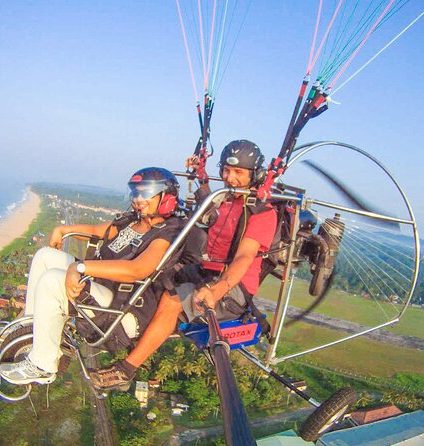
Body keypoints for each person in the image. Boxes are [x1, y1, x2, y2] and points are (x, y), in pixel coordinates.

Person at [89, 140, 278, 390]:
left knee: (173, 300)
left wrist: (217, 290)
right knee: (157, 274)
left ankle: (126, 370)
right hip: (205, 271)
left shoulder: (262, 213)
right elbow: (207, 214)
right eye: (226, 170)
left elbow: (244, 257)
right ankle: (117, 325)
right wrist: (200, 175)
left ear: (255, 175)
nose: (230, 178)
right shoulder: (226, 200)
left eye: (238, 172)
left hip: (234, 286)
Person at [0, 167, 185, 385]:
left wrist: (80, 268)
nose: (138, 199)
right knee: (44, 257)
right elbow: (99, 231)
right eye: (135, 192)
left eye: (146, 193)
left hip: (123, 311)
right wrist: (63, 230)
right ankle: (31, 333)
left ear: (166, 197)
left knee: (52, 280)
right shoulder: (134, 221)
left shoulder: (168, 232)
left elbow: (137, 270)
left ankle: (43, 365)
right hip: (102, 290)